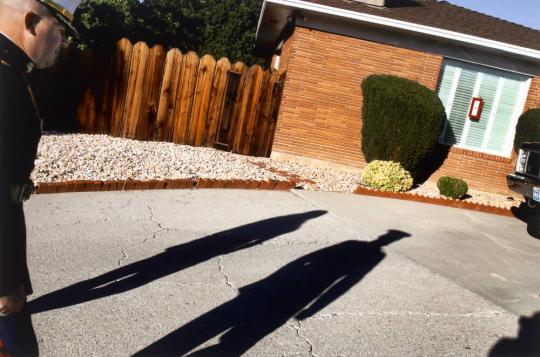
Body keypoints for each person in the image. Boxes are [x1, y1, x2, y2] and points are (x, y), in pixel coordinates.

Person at [0, 0, 81, 354]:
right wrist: (6, 279)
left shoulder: (12, 72)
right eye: (61, 30)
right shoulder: (4, 81)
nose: (64, 42)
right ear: (32, 21)